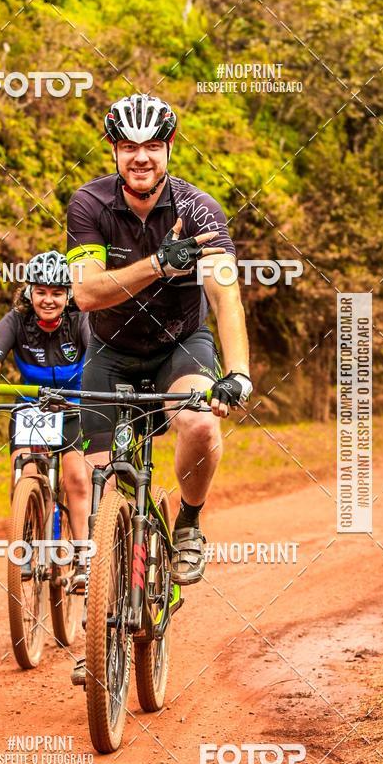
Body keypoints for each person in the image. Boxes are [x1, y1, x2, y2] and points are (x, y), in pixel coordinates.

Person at [67, 93, 252, 586]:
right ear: (114, 151)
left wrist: (238, 374)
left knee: (199, 424)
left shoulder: (200, 209)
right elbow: (85, 293)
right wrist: (160, 264)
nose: (141, 157)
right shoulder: (90, 204)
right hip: (111, 350)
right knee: (97, 478)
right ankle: (101, 614)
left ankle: (188, 524)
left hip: (180, 346)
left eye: (151, 145)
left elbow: (224, 294)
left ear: (169, 147)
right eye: (128, 146)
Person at [0, 252, 91, 568]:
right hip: (31, 406)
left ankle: (84, 557)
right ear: (29, 291)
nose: (48, 300)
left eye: (56, 292)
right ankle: (27, 536)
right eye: (41, 291)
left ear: (68, 294)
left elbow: (97, 359)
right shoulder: (16, 320)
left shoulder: (80, 319)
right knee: (23, 473)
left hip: (73, 404)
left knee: (77, 480)